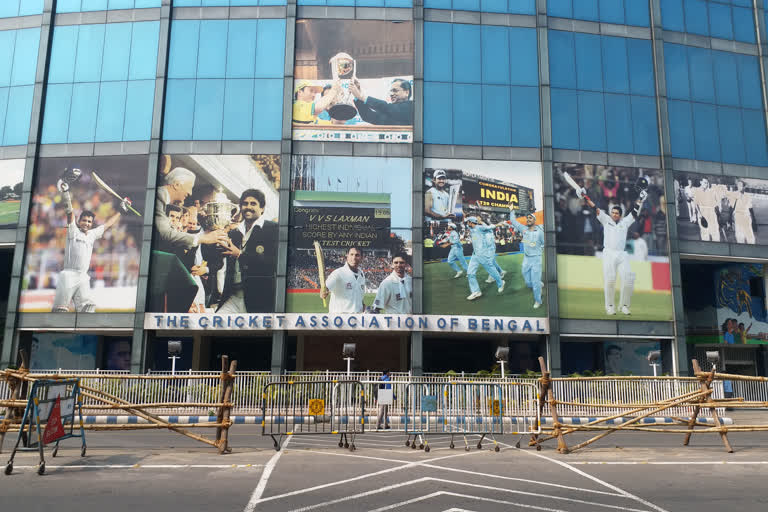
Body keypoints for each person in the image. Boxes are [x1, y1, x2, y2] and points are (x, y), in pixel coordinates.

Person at [51, 180, 127, 313]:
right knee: (60, 311)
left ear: (92, 223)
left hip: (83, 277)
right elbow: (69, 213)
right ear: (79, 221)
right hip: (68, 275)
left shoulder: (92, 234)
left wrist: (121, 210)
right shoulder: (72, 230)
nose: (86, 223)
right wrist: (66, 192)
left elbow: (108, 225)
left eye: (89, 221)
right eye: (84, 220)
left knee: (88, 310)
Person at [585, 188, 647, 315]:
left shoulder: (625, 222)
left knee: (629, 278)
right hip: (608, 253)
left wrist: (640, 199)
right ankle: (610, 306)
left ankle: (624, 306)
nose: (614, 215)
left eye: (616, 213)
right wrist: (584, 196)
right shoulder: (606, 219)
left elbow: (635, 212)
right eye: (612, 212)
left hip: (621, 254)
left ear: (620, 215)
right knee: (610, 279)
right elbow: (594, 207)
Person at [215, 189, 278, 313]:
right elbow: (218, 264)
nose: (248, 207)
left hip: (258, 299)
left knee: (252, 333)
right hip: (232, 297)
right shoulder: (233, 233)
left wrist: (240, 254)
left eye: (253, 203)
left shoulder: (273, 229)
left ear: (262, 208)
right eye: (245, 203)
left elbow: (272, 263)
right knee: (214, 329)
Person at [154, 167, 225, 253]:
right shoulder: (158, 196)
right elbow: (166, 234)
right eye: (189, 187)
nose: (190, 193)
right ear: (176, 185)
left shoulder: (161, 199)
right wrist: (202, 238)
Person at [502, 210, 544, 309]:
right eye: (527, 218)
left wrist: (540, 248)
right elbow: (513, 221)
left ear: (535, 220)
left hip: (536, 259)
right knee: (528, 282)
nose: (528, 219)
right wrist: (512, 210)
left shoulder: (540, 232)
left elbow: (544, 242)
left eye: (530, 218)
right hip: (526, 259)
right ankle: (538, 283)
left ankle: (538, 300)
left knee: (535, 282)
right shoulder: (524, 229)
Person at [465, 217, 504, 301]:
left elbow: (490, 227)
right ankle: (476, 291)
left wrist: (498, 224)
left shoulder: (480, 228)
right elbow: (465, 219)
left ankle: (500, 283)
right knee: (470, 273)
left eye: (467, 222)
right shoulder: (470, 228)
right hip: (474, 254)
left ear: (471, 222)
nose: (466, 223)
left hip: (482, 253)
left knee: (491, 270)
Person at [321, 247, 366, 313]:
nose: (354, 258)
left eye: (357, 255)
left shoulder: (361, 274)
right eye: (351, 254)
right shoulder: (338, 273)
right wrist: (324, 292)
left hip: (357, 319)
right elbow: (326, 288)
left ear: (362, 257)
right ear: (347, 256)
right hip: (340, 319)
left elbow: (359, 296)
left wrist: (363, 306)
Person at [693, 177, 721, 242]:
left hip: (711, 213)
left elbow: (716, 204)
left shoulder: (711, 191)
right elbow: (696, 204)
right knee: (705, 233)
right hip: (702, 213)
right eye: (705, 182)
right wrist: (699, 213)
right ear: (701, 182)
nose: (706, 184)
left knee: (715, 232)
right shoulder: (697, 191)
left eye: (707, 182)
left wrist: (718, 213)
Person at [729, 180, 757, 244]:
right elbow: (731, 207)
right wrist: (729, 219)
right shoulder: (734, 194)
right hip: (738, 216)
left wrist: (754, 220)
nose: (739, 187)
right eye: (738, 185)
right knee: (739, 236)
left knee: (750, 236)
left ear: (744, 187)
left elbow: (750, 208)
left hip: (747, 217)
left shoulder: (748, 195)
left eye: (741, 185)